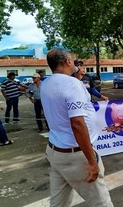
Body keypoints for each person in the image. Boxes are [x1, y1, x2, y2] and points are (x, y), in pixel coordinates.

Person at [40, 49, 113, 207]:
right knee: (102, 203)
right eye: (72, 60)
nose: (74, 63)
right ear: (67, 62)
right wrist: (91, 161)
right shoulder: (72, 84)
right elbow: (77, 123)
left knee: (59, 203)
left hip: (55, 152)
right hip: (76, 154)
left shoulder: (45, 83)